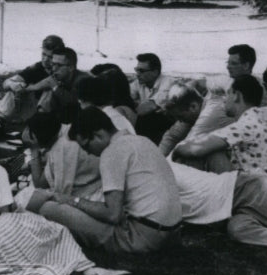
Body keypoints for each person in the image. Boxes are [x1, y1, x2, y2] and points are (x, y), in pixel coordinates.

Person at [38, 107, 182, 254]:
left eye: (86, 146)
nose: (87, 152)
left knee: (49, 209)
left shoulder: (111, 152)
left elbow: (112, 214)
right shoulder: (142, 140)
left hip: (143, 238)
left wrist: (73, 201)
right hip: (173, 233)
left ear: (98, 135)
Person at [171, 75, 267, 186]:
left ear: (237, 96)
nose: (224, 99)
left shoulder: (246, 124)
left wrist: (175, 151)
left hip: (254, 194)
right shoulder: (258, 120)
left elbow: (195, 149)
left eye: (228, 93)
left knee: (209, 152)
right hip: (262, 191)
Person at [0, 34, 64, 129]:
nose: (45, 59)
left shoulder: (62, 69)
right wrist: (14, 85)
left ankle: (36, 127)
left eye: (50, 57)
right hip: (33, 108)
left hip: (53, 112)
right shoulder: (36, 67)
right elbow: (6, 83)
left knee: (48, 90)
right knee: (15, 86)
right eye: (43, 54)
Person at [158, 82, 234, 160]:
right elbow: (172, 136)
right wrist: (157, 160)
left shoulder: (209, 114)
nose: (180, 121)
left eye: (180, 117)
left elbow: (187, 146)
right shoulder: (195, 110)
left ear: (193, 106)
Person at [129, 53, 174, 143]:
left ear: (155, 72)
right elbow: (124, 98)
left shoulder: (168, 82)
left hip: (167, 123)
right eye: (136, 70)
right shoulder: (139, 82)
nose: (137, 74)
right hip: (150, 123)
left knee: (147, 119)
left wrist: (127, 110)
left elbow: (149, 107)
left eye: (141, 71)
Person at [38, 46, 90, 118]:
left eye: (59, 65)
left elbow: (76, 104)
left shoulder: (84, 81)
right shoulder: (61, 77)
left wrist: (55, 87)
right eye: (53, 64)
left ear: (71, 68)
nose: (54, 69)